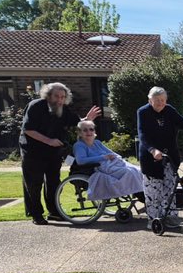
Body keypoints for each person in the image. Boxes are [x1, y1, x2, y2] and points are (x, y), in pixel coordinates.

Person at [20, 82, 101, 224]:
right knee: (34, 184)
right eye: (56, 96)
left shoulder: (63, 109)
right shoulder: (36, 106)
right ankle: (36, 215)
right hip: (33, 152)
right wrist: (49, 141)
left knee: (53, 183)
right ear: (48, 95)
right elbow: (28, 129)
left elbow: (77, 123)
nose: (60, 100)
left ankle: (54, 212)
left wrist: (88, 119)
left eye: (63, 97)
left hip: (53, 153)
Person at [137, 87, 183, 225]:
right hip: (151, 158)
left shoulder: (169, 110)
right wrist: (153, 150)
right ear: (150, 100)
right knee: (154, 192)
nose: (160, 103)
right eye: (157, 100)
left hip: (169, 157)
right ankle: (154, 221)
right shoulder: (143, 112)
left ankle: (171, 219)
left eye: (163, 100)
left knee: (170, 190)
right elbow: (142, 135)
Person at [72, 119, 144, 201]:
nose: (89, 132)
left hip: (112, 164)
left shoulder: (97, 143)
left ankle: (146, 197)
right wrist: (103, 157)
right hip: (99, 168)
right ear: (80, 132)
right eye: (85, 130)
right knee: (129, 172)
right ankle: (144, 199)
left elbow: (112, 153)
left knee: (138, 170)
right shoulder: (79, 145)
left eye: (91, 129)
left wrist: (118, 157)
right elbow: (80, 161)